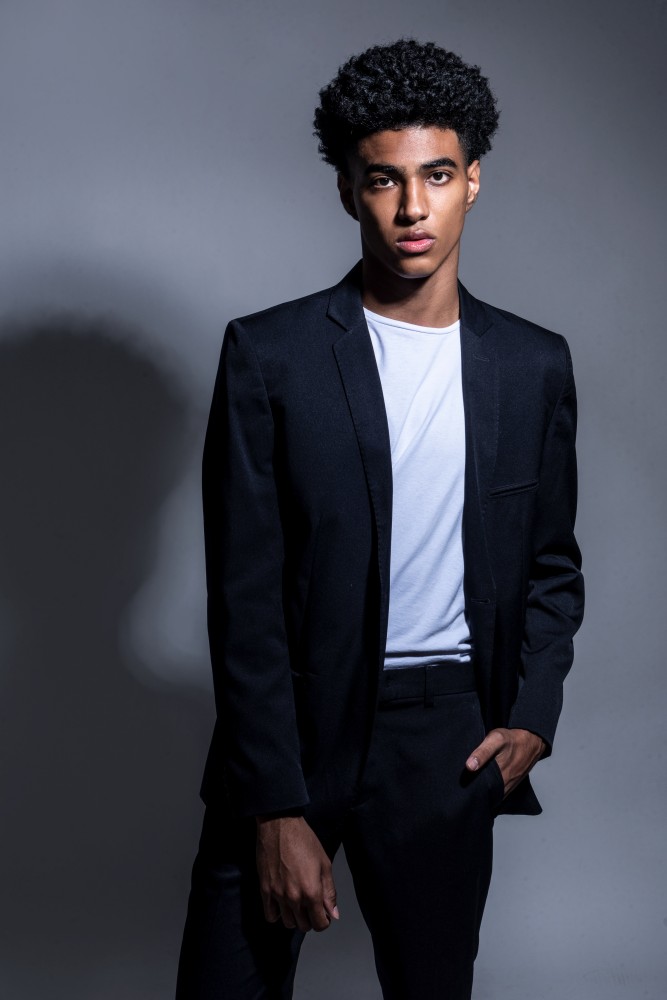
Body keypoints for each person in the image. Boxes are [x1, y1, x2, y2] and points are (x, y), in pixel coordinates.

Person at [176, 38, 584, 1000]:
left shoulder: (531, 366)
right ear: (347, 192)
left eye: (435, 176)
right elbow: (244, 598)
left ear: (472, 181)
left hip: (446, 738)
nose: (411, 209)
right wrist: (275, 805)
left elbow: (551, 567)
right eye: (383, 180)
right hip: (292, 730)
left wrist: (533, 716)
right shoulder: (269, 356)